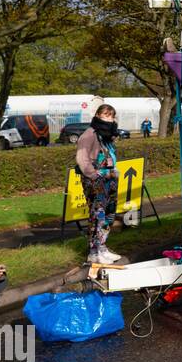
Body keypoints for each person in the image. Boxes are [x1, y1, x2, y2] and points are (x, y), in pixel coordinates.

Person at [75, 104, 121, 265]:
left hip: (110, 178)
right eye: (105, 116)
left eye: (111, 116)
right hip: (95, 180)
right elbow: (82, 158)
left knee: (109, 214)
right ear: (97, 116)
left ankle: (102, 246)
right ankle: (93, 252)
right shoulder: (89, 135)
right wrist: (94, 175)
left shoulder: (107, 136)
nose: (108, 119)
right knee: (98, 215)